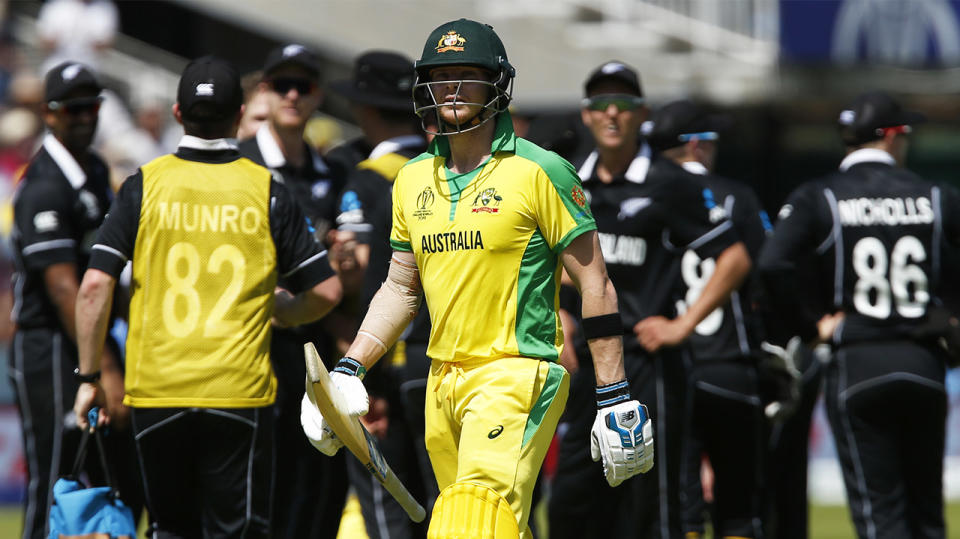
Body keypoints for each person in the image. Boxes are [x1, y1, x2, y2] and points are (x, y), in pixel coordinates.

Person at [302, 20, 654, 538]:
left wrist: (614, 394)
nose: (452, 89)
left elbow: (595, 282)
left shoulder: (541, 170)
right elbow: (401, 289)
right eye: (441, 77)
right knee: (495, 525)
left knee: (472, 524)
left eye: (467, 75)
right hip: (441, 382)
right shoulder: (412, 178)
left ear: (497, 84)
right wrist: (350, 370)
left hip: (518, 372)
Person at [71, 55, 343, 538]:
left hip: (157, 388)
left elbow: (94, 286)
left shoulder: (142, 185)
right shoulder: (267, 190)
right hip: (238, 391)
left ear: (177, 113)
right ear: (241, 114)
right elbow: (326, 290)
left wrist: (90, 375)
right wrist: (284, 311)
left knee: (170, 528)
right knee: (236, 531)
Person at [548, 62, 752, 539]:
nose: (611, 113)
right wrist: (559, 312)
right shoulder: (567, 179)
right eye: (601, 104)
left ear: (642, 114)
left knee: (651, 501)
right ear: (586, 115)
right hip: (586, 366)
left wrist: (681, 325)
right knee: (572, 504)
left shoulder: (670, 181)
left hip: (648, 365)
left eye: (623, 104)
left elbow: (735, 257)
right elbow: (552, 258)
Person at [757, 91, 960, 539]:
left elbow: (772, 265)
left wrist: (811, 327)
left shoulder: (819, 196)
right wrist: (951, 318)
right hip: (923, 362)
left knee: (878, 517)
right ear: (891, 137)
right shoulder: (937, 196)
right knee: (927, 517)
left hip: (857, 361)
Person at [9, 61, 133, 539]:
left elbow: (109, 269)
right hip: (51, 346)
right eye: (73, 108)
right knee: (55, 474)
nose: (85, 117)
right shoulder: (43, 185)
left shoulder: (96, 170)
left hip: (92, 343)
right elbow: (65, 289)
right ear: (49, 113)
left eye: (92, 106)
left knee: (113, 475)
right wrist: (101, 368)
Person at [238, 43, 350, 539]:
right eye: (280, 84)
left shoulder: (331, 175)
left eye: (301, 86)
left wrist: (344, 265)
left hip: (314, 346)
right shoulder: (237, 168)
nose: (290, 95)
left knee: (313, 484)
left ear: (316, 96)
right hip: (248, 349)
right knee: (255, 482)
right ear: (263, 90)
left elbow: (351, 274)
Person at [646, 99, 768, 538]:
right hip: (730, 365)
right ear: (696, 146)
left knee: (680, 508)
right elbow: (768, 272)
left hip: (667, 367)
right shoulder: (738, 197)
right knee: (739, 508)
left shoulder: (644, 197)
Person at [329, 50, 433, 539]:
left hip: (388, 366)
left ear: (363, 110)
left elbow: (368, 279)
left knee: (388, 505)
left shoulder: (371, 178)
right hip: (451, 363)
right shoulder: (446, 168)